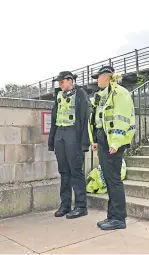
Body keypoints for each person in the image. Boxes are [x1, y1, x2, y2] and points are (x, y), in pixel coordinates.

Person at [88, 66, 136, 230]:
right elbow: (98, 120)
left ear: (107, 77)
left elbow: (121, 120)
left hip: (113, 142)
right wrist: (95, 139)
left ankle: (118, 219)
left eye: (98, 77)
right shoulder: (103, 95)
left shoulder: (120, 93)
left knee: (114, 180)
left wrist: (115, 143)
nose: (96, 80)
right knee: (108, 180)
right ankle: (112, 215)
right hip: (104, 141)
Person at [48, 71, 91, 219]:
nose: (59, 84)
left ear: (70, 80)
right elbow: (54, 118)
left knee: (76, 171)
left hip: (73, 133)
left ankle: (81, 206)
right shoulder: (59, 95)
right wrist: (52, 140)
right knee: (64, 171)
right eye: (58, 81)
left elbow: (86, 118)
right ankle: (65, 205)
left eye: (62, 81)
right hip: (60, 134)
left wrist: (85, 142)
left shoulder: (80, 94)